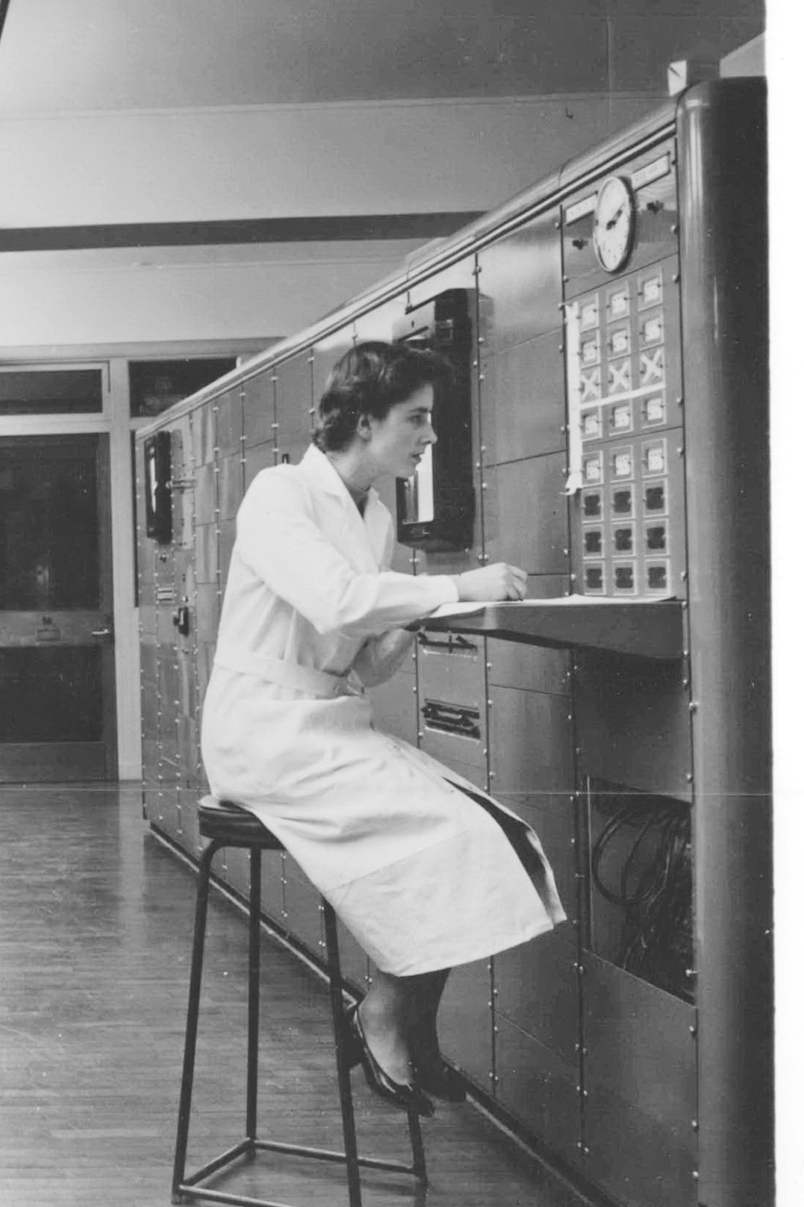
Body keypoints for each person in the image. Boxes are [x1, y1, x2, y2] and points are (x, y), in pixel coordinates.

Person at [199, 341, 563, 1114]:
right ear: (364, 421)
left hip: (328, 722)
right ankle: (384, 1015)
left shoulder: (377, 516)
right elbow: (337, 601)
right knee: (456, 836)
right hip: (266, 732)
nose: (430, 437)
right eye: (417, 419)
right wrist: (450, 584)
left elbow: (363, 667)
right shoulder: (279, 493)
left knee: (492, 831)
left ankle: (411, 1024)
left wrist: (430, 616)